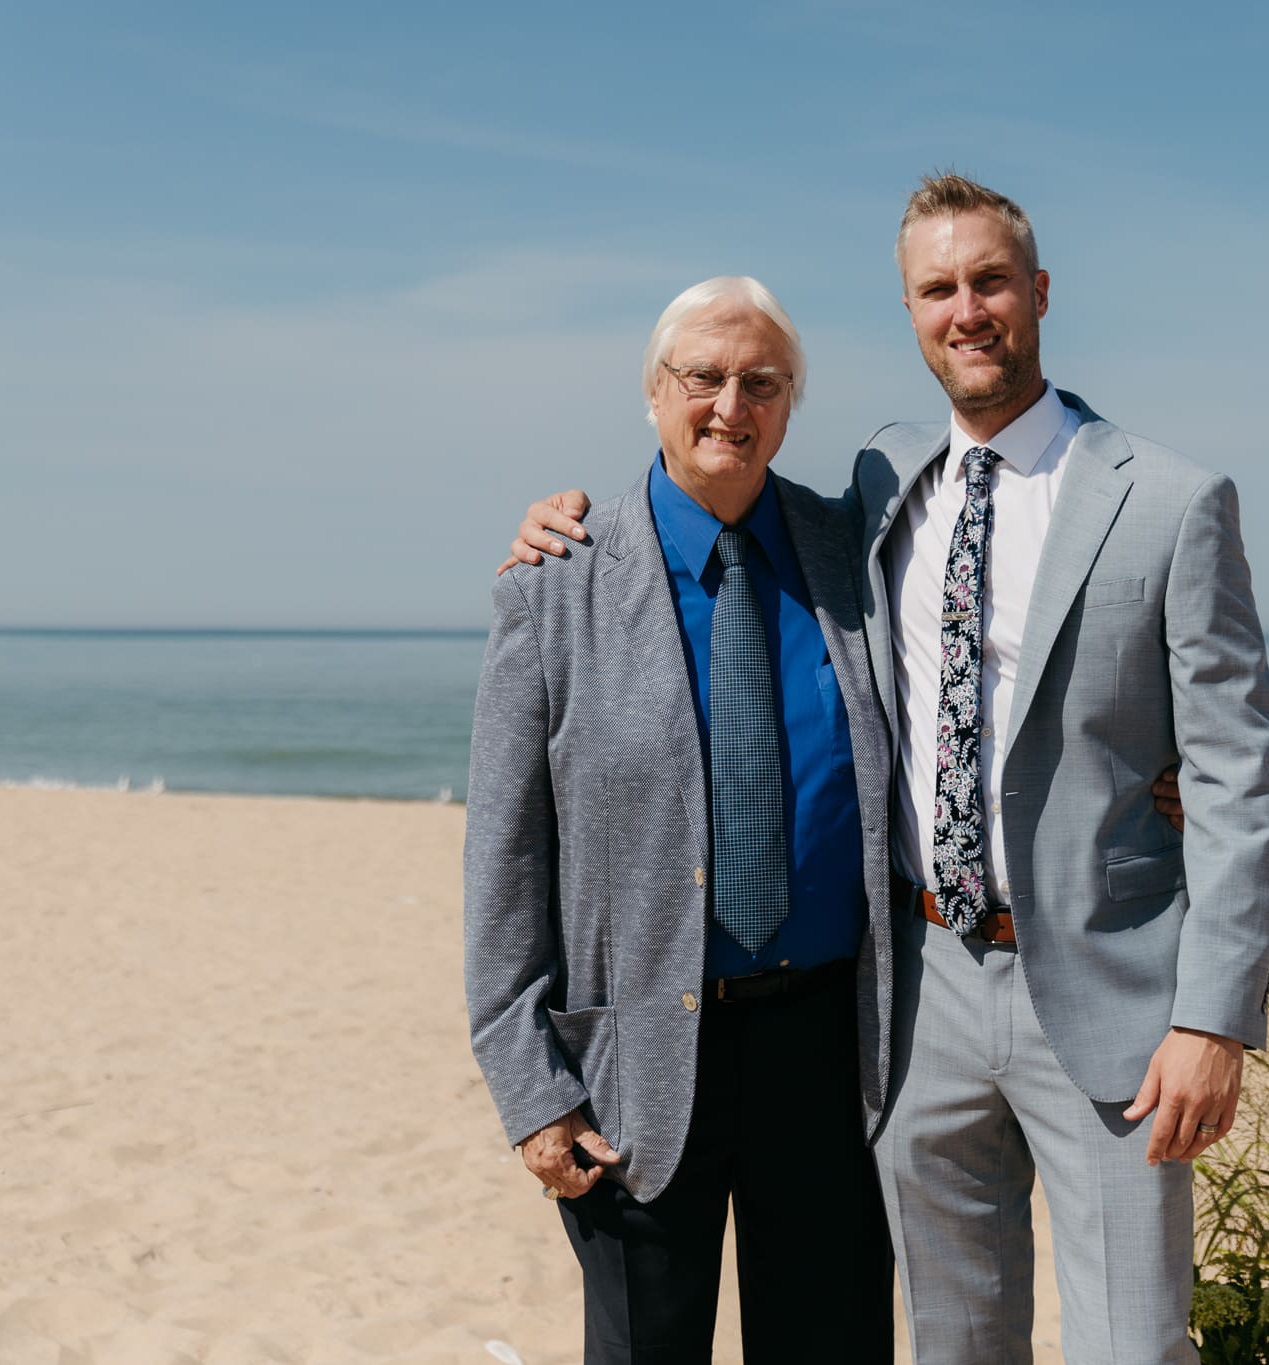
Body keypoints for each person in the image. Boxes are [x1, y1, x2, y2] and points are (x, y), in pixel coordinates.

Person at [508, 174, 1269, 1363]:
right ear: (911, 313)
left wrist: (1211, 1014)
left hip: (1094, 1004)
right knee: (951, 1344)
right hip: (916, 998)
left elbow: (1233, 772)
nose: (964, 310)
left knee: (1133, 1346)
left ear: (1034, 292)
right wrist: (567, 522)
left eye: (986, 282)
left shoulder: (1163, 502)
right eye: (936, 289)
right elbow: (509, 849)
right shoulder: (877, 491)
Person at [463, 276, 896, 1364]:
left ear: (790, 403)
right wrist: (530, 1093)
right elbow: (504, 862)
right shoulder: (554, 584)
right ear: (653, 393)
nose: (729, 407)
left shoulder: (856, 558)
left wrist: (1151, 765)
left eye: (760, 383)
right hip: (635, 1057)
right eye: (702, 379)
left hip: (831, 1053)